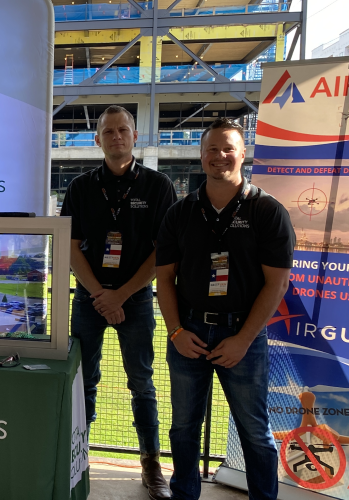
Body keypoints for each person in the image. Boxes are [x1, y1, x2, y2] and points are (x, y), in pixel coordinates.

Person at [156, 118, 294, 500]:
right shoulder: (180, 213)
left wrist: (243, 340)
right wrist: (176, 332)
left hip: (242, 335)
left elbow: (277, 283)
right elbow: (164, 279)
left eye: (228, 148)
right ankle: (184, 494)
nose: (220, 156)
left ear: (243, 153)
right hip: (189, 333)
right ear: (202, 156)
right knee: (183, 427)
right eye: (212, 149)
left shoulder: (267, 210)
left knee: (255, 431)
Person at [59, 105, 177, 499]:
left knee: (142, 383)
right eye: (108, 131)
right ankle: (78, 458)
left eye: (122, 129)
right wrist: (100, 295)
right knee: (83, 382)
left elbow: (163, 251)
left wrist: (121, 295)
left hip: (136, 299)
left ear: (135, 136)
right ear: (97, 139)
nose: (116, 136)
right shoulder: (80, 187)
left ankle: (151, 465)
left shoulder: (158, 186)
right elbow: (70, 247)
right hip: (89, 298)